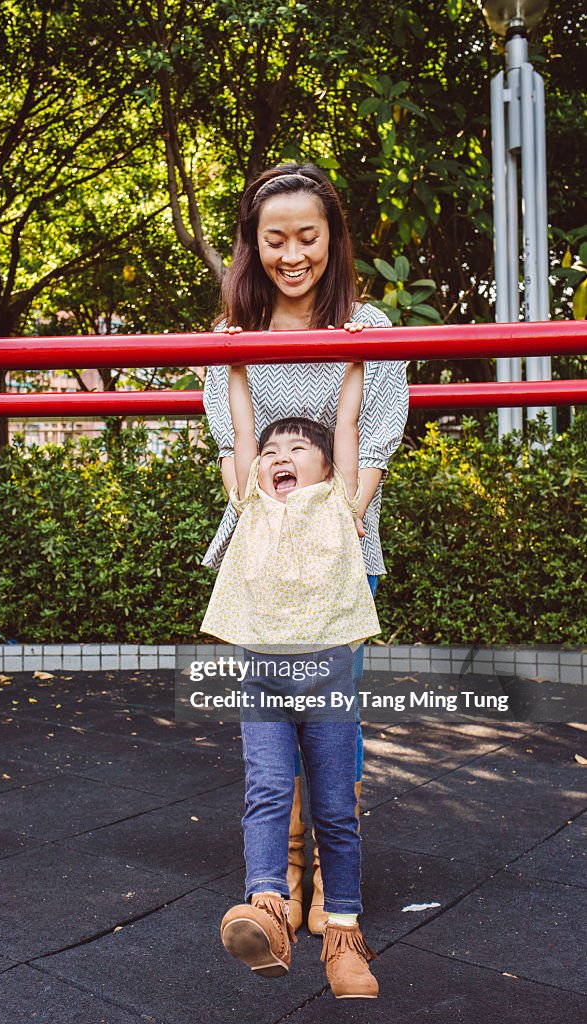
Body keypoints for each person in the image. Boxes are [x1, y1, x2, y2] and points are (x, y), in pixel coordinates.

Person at [202, 162, 409, 933]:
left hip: (338, 549)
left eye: (307, 236)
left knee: (332, 718)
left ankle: (329, 876)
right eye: (275, 238)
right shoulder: (236, 338)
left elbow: (375, 433)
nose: (293, 255)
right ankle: (281, 868)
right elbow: (231, 443)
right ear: (253, 246)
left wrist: (333, 528)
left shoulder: (371, 328)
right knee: (267, 724)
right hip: (262, 552)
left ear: (332, 238)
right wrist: (273, 523)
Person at [202, 358, 380, 998]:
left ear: (329, 468)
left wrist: (355, 361)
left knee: (335, 808)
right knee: (267, 791)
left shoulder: (340, 500)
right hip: (262, 681)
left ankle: (344, 934)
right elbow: (242, 427)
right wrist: (236, 365)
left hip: (327, 676)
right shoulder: (251, 500)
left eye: (299, 448)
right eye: (273, 449)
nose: (280, 454)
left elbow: (349, 420)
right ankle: (269, 910)